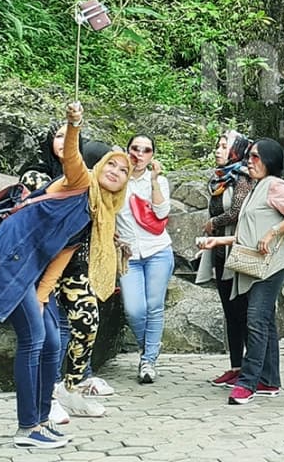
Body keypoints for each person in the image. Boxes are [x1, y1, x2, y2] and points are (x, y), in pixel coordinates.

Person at [0, 101, 124, 449]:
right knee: (34, 338)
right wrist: (74, 124)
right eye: (110, 164)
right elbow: (72, 156)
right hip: (11, 257)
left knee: (51, 342)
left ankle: (40, 420)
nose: (115, 171)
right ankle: (28, 428)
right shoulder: (80, 181)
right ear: (96, 166)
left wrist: (40, 298)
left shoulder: (95, 212)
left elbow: (59, 260)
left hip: (32, 270)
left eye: (123, 169)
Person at [196, 137, 284, 405]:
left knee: (255, 319)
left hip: (272, 265)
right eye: (249, 156)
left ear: (270, 160)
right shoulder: (256, 187)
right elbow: (248, 234)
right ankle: (269, 381)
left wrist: (273, 232)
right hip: (257, 264)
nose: (250, 161)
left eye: (256, 157)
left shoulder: (276, 185)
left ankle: (247, 383)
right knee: (264, 322)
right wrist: (217, 241)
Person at [194, 130, 254, 387]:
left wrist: (213, 223)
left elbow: (237, 211)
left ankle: (253, 369)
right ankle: (236, 366)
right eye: (217, 146)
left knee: (242, 312)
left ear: (236, 150)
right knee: (230, 313)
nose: (217, 151)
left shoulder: (243, 177)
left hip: (237, 251)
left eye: (223, 146)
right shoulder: (221, 178)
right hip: (220, 254)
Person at [116, 134, 173, 384]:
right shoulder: (116, 179)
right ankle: (150, 348)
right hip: (129, 254)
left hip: (158, 251)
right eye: (135, 148)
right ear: (127, 150)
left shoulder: (158, 180)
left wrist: (154, 181)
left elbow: (162, 212)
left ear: (152, 156)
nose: (139, 154)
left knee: (154, 306)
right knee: (134, 310)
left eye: (146, 150)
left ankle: (148, 361)